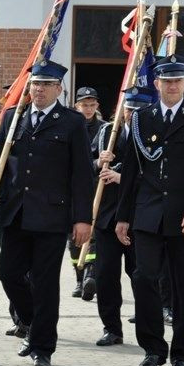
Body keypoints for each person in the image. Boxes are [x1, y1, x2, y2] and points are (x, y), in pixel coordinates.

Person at [0, 60, 94, 366]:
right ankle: (31, 323)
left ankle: (43, 348)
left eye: (45, 84)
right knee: (9, 273)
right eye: (35, 84)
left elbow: (83, 174)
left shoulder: (71, 123)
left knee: (45, 284)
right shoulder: (13, 118)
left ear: (59, 89)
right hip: (14, 213)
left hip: (51, 216)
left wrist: (83, 218)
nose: (39, 89)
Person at [115, 54, 184, 366]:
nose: (172, 86)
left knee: (183, 285)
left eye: (178, 80)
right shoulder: (141, 118)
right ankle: (152, 348)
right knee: (143, 277)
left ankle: (181, 354)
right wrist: (122, 216)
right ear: (156, 83)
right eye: (166, 80)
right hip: (147, 214)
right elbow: (131, 170)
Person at [91, 86, 155, 347]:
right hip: (108, 215)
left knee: (140, 273)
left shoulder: (154, 134)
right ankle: (111, 327)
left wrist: (123, 178)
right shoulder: (107, 132)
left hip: (139, 215)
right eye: (129, 109)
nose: (132, 114)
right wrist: (98, 162)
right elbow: (85, 164)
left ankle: (146, 322)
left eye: (138, 109)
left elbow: (158, 174)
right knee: (105, 273)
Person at [70, 87, 104, 300]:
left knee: (95, 233)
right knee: (74, 237)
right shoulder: (70, 126)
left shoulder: (105, 129)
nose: (89, 109)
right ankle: (79, 277)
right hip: (74, 189)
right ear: (77, 106)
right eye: (85, 105)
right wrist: (95, 162)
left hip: (98, 189)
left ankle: (91, 273)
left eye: (92, 105)